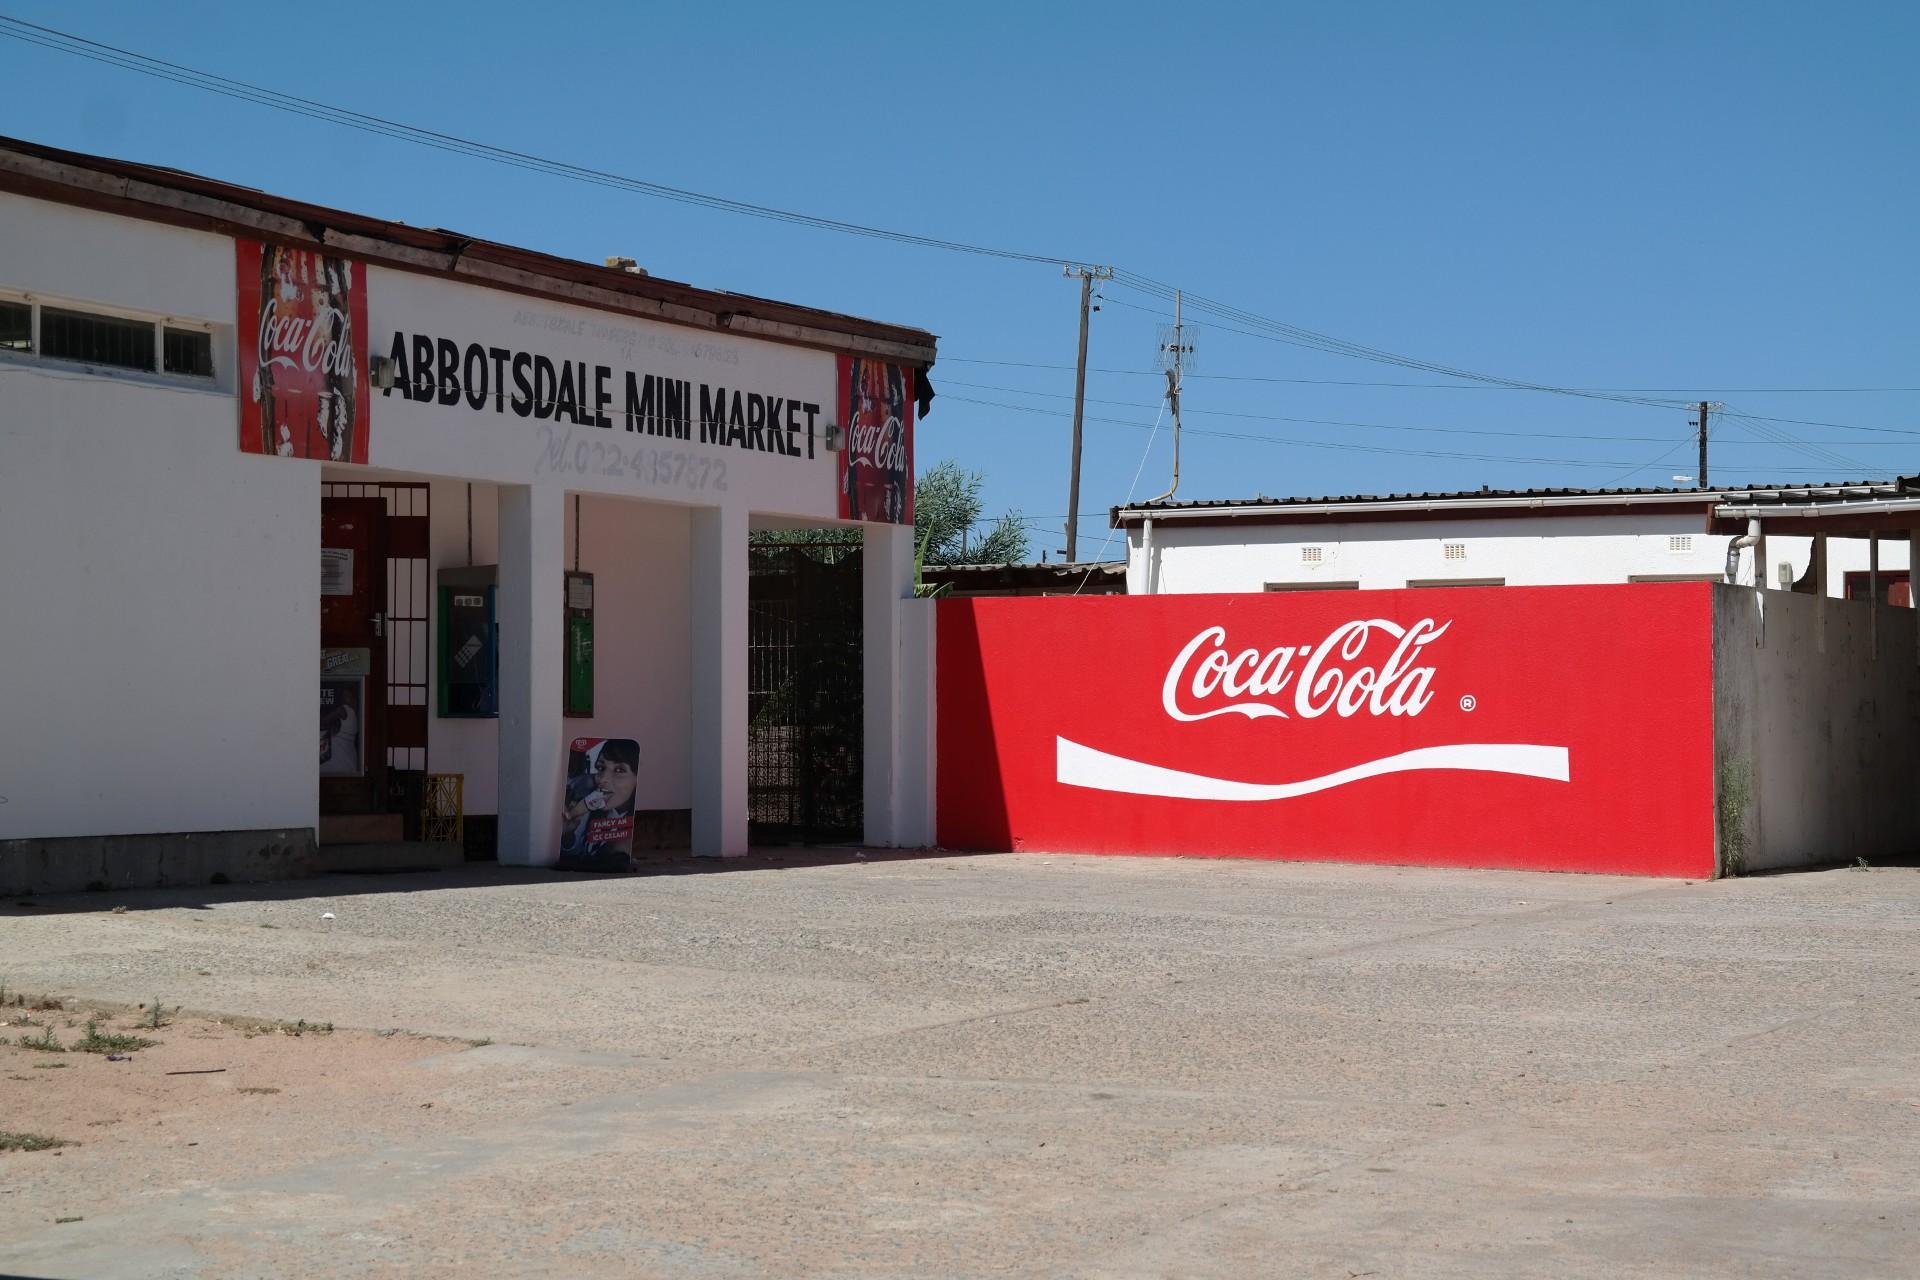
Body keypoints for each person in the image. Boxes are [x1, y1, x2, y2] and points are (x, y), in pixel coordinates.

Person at [558, 739, 639, 871]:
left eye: (619, 770)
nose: (602, 779)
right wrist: (567, 834)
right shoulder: (591, 810)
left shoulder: (634, 824)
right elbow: (576, 853)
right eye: (601, 768)